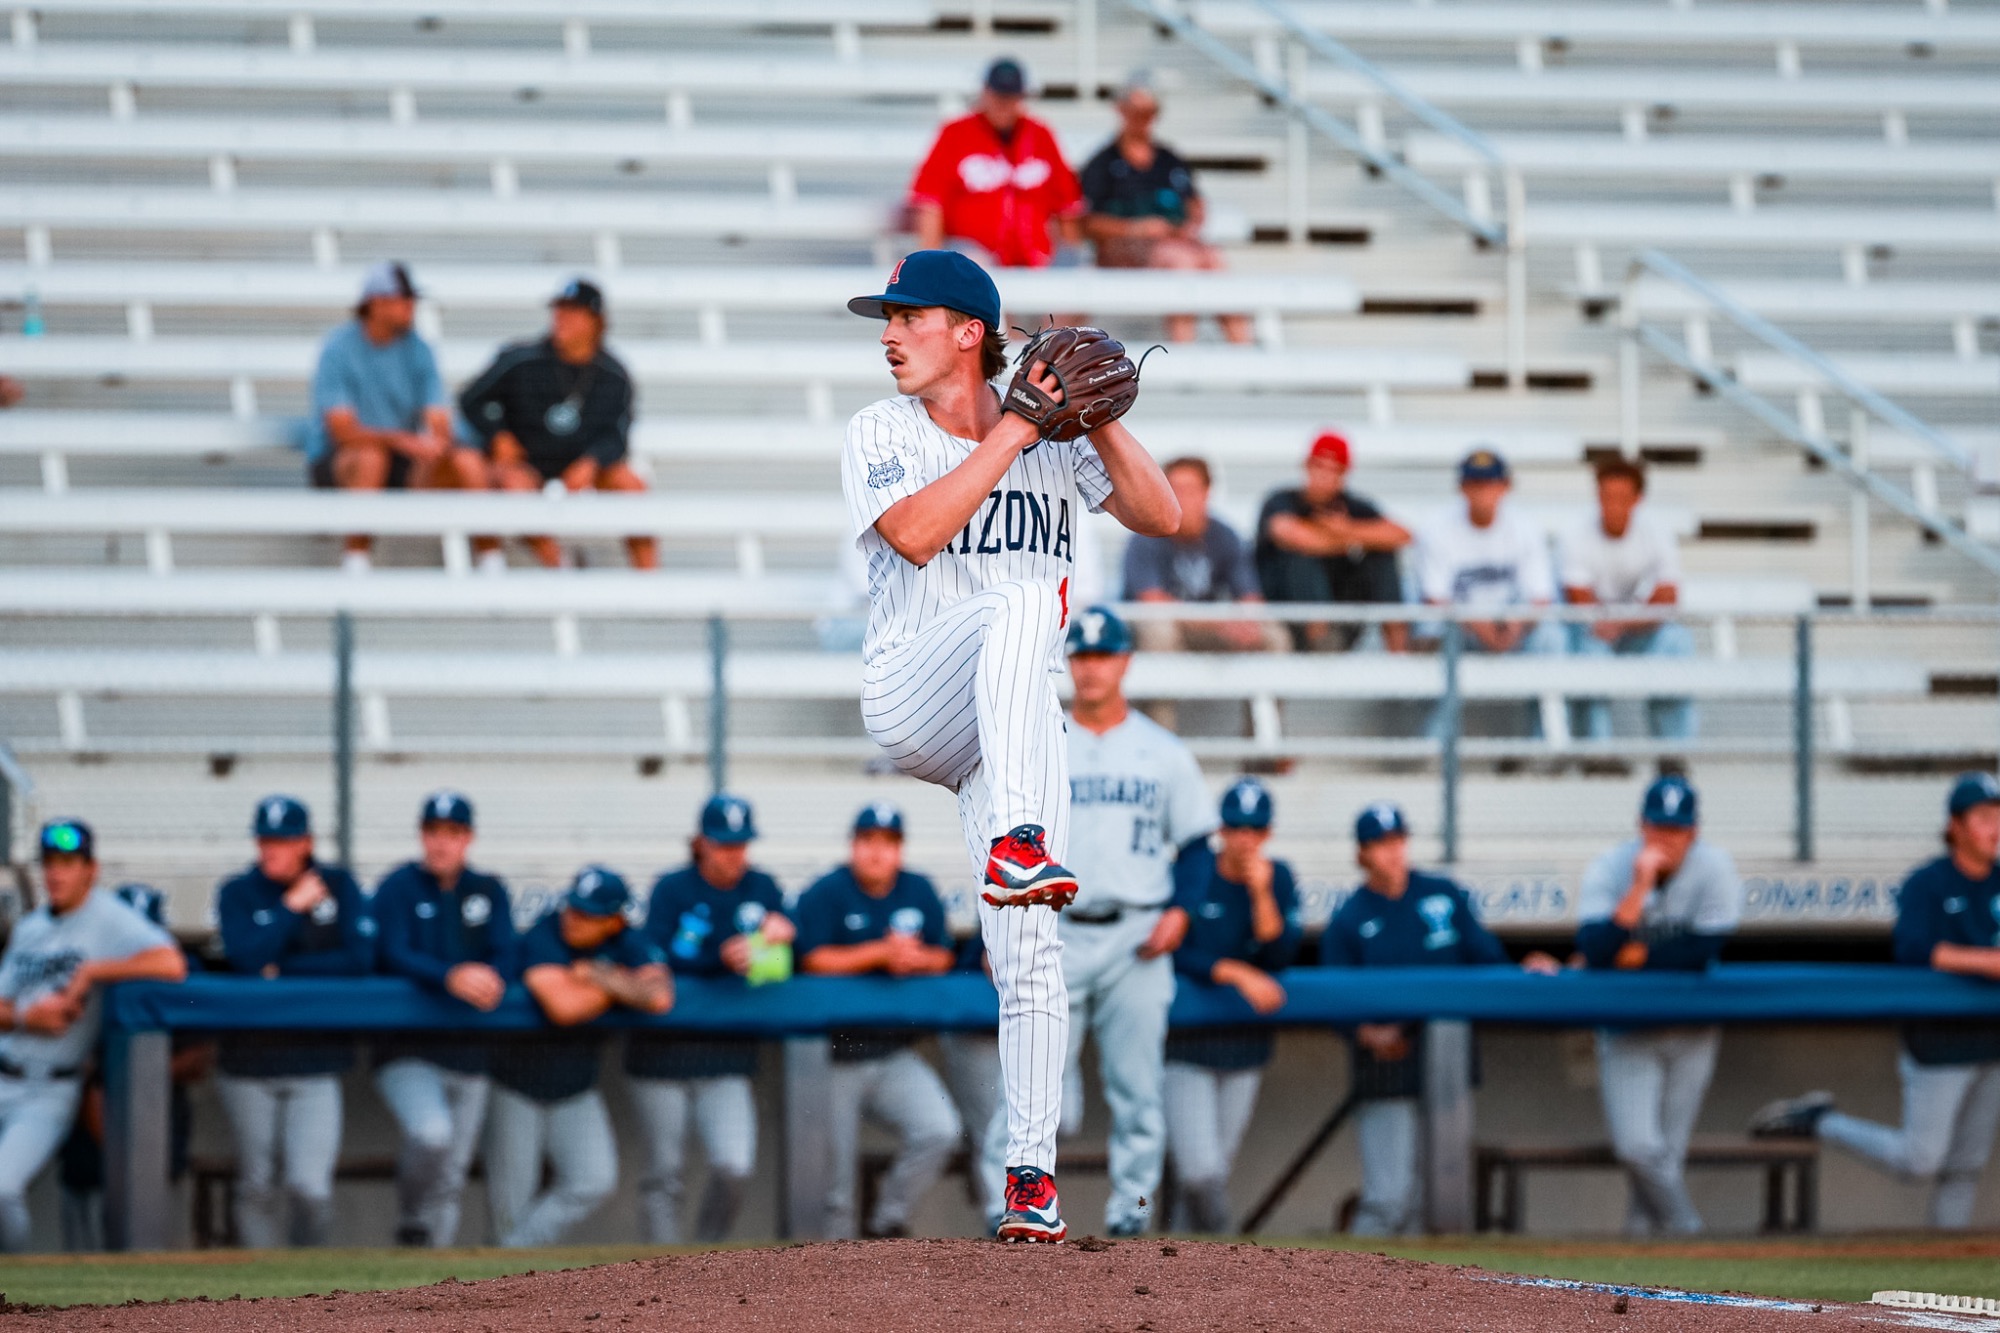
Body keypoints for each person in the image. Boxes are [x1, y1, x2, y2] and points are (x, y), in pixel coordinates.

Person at [841, 249, 1181, 1242]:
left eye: (907, 314)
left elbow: (1161, 514)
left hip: (1013, 729)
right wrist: (1020, 429)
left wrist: (1099, 411)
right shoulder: (882, 427)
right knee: (1026, 597)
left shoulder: (1055, 435)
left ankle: (1027, 1175)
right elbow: (912, 532)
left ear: (967, 332)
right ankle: (1021, 837)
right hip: (914, 686)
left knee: (1030, 950)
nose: (888, 331)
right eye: (887, 316)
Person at [1026, 604, 1218, 1237]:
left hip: (1137, 933)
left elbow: (1195, 847)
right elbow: (999, 838)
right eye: (1080, 656)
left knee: (1137, 1091)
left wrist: (1181, 912)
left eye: (1102, 655)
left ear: (1125, 662)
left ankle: (1132, 1217)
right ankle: (1017, 1214)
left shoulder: (1161, 752)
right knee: (1035, 1091)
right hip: (1054, 929)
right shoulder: (1039, 742)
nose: (1090, 668)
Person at [1752, 772, 2000, 1229]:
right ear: (1956, 825)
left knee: (1965, 1165)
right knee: (1919, 1160)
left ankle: (1948, 1264)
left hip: (1992, 1041)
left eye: (1999, 817)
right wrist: (1987, 962)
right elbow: (1911, 949)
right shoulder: (1928, 882)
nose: (1994, 827)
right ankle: (1820, 1121)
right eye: (1984, 817)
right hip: (1940, 1043)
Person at [1322, 803, 1556, 1235]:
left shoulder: (1442, 894)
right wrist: (1366, 1033)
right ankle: (1350, 1293)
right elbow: (1331, 998)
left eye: (1398, 841)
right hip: (1386, 1065)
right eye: (1380, 844)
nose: (1392, 852)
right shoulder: (1350, 918)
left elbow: (1484, 959)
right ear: (1362, 854)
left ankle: (1420, 1298)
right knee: (1389, 1197)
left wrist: (1524, 965)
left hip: (1446, 1060)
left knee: (1440, 1196)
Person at [0, 823, 185, 1251]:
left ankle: (13, 1300)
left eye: (68, 864)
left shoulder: (107, 919)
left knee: (3, 1192)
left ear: (90, 869)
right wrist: (28, 1016)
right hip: (6, 1067)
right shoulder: (31, 927)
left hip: (48, 1087)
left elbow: (171, 963)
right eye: (50, 864)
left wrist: (92, 971)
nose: (57, 874)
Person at [1576, 774, 1743, 1236]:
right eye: (1658, 828)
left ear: (1694, 832)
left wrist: (1642, 955)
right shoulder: (1613, 867)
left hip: (1692, 1030)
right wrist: (1639, 886)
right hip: (1627, 1029)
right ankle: (1687, 1230)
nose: (1666, 840)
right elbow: (1595, 948)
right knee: (1637, 1148)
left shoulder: (1714, 866)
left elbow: (1704, 948)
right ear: (1641, 826)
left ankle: (1643, 1257)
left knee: (1665, 1153)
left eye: (1677, 830)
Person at [626, 793, 793, 1245]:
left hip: (728, 1055)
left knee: (734, 1165)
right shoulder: (672, 888)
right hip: (661, 1055)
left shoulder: (762, 888)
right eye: (722, 844)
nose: (733, 855)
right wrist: (716, 957)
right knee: (665, 1173)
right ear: (700, 843)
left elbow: (786, 961)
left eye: (740, 844)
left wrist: (776, 940)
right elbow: (651, 958)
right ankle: (659, 1268)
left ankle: (706, 1255)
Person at [795, 803, 963, 1239]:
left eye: (887, 843)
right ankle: (836, 1272)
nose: (876, 852)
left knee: (940, 1130)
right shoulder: (827, 891)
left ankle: (887, 1221)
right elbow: (811, 959)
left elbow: (944, 954)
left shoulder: (918, 889)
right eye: (868, 841)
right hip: (832, 1058)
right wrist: (879, 953)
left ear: (899, 849)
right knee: (837, 1183)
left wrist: (915, 959)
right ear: (854, 845)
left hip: (894, 1053)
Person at [213, 796, 374, 1248]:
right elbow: (245, 958)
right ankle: (262, 1297)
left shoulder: (338, 884)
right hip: (248, 1065)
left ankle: (309, 1283)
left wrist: (284, 969)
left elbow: (360, 960)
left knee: (310, 1187)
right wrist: (291, 907)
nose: (271, 850)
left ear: (305, 842)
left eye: (282, 841)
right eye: (265, 839)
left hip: (315, 1060)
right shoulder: (238, 891)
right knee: (257, 1183)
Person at [489, 867, 670, 1247]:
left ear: (614, 919)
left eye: (588, 914)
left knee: (594, 1179)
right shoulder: (546, 931)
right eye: (573, 907)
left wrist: (598, 974)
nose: (574, 919)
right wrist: (621, 985)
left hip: (576, 1086)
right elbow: (563, 1007)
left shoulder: (627, 940)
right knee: (510, 1208)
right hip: (517, 1083)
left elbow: (659, 997)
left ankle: (513, 1258)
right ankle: (506, 1272)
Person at [370, 791, 516, 1248]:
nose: (441, 843)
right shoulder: (398, 885)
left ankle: (436, 1281)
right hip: (407, 1048)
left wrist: (493, 976)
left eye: (452, 833)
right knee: (431, 1135)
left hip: (470, 1051)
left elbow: (509, 951)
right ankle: (412, 1221)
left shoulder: (487, 889)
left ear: (467, 838)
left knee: (452, 1171)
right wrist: (448, 974)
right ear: (422, 834)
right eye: (434, 832)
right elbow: (390, 952)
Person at [1162, 778, 1302, 1233]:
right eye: (1236, 827)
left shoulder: (1276, 877)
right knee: (1200, 1173)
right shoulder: (1195, 872)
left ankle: (1184, 1277)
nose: (1245, 838)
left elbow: (1281, 956)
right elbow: (1173, 948)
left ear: (1267, 834)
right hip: (1186, 1044)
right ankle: (1227, 1255)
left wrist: (1261, 893)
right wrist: (1233, 970)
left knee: (1212, 1174)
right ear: (1221, 829)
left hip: (1244, 1045)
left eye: (1255, 829)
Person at [458, 277, 657, 570]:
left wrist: (592, 462)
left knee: (632, 484)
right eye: (558, 309)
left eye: (573, 311)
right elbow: (470, 399)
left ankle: (650, 583)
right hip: (528, 461)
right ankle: (560, 567)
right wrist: (497, 436)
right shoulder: (521, 359)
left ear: (595, 321)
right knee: (512, 483)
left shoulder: (614, 375)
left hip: (581, 464)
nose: (561, 318)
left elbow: (618, 434)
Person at [56, 884, 209, 1253]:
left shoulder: (178, 977)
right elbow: (78, 1071)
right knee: (85, 1241)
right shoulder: (81, 975)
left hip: (158, 1126)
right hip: (87, 1140)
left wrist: (141, 1080)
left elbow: (199, 1059)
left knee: (155, 1242)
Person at [306, 261, 484, 574]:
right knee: (371, 458)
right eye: (402, 299)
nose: (410, 307)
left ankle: (490, 556)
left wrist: (438, 444)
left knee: (466, 461)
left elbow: (437, 417)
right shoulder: (339, 348)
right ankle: (356, 559)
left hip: (398, 456)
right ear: (376, 303)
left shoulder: (418, 349)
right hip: (342, 459)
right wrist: (403, 440)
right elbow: (342, 432)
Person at [1079, 74, 1252, 344]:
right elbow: (1088, 222)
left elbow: (1195, 203)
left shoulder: (1169, 159)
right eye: (1136, 112)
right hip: (1126, 248)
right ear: (1121, 111)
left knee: (1214, 261)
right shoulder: (1103, 164)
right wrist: (1137, 228)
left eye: (1148, 112)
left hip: (1171, 243)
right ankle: (1184, 356)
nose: (1143, 119)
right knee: (1180, 262)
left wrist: (1187, 224)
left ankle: (1243, 351)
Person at [1418, 447, 1560, 737]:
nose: (1482, 492)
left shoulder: (1525, 528)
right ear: (1461, 488)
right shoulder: (1437, 528)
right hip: (1460, 631)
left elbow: (1541, 597)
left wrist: (1515, 626)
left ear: (1505, 486)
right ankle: (1435, 746)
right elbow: (1434, 599)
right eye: (1474, 484)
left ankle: (1546, 743)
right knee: (1438, 638)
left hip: (1512, 629)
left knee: (1551, 637)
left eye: (1489, 484)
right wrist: (1480, 627)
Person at [1563, 457, 1696, 744]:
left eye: (1621, 497)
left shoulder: (1655, 531)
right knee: (1589, 649)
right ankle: (1598, 753)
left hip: (1629, 626)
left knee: (1676, 642)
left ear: (1638, 499)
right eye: (1606, 496)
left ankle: (1672, 752)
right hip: (1594, 628)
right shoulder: (1576, 531)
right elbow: (1578, 598)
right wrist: (1620, 619)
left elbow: (1668, 596)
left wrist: (1623, 622)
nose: (1613, 505)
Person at [909, 59, 1083, 269]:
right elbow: (931, 205)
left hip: (1037, 256)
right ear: (985, 92)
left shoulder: (1040, 135)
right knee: (972, 266)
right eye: (998, 95)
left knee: (1074, 266)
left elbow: (1066, 209)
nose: (1004, 103)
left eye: (1010, 97)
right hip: (972, 254)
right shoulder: (956, 133)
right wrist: (930, 265)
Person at [1254, 432, 1412, 652]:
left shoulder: (1354, 506)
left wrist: (1345, 529)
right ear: (1307, 466)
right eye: (1319, 466)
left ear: (1344, 473)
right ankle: (1321, 643)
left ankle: (1399, 653)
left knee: (1383, 556)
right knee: (1300, 559)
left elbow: (1402, 534)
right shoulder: (1281, 500)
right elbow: (1289, 533)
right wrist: (1350, 539)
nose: (1324, 476)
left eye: (1333, 469)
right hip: (1288, 614)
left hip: (1342, 613)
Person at [1122, 457, 1284, 653]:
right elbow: (1153, 602)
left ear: (1207, 493)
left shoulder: (1226, 537)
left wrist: (1245, 623)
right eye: (1175, 490)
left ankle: (1263, 684)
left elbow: (1250, 598)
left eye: (1189, 490)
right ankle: (1165, 684)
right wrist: (1217, 622)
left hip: (1210, 625)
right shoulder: (1144, 537)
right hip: (1174, 625)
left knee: (1272, 634)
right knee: (1159, 629)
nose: (1182, 498)